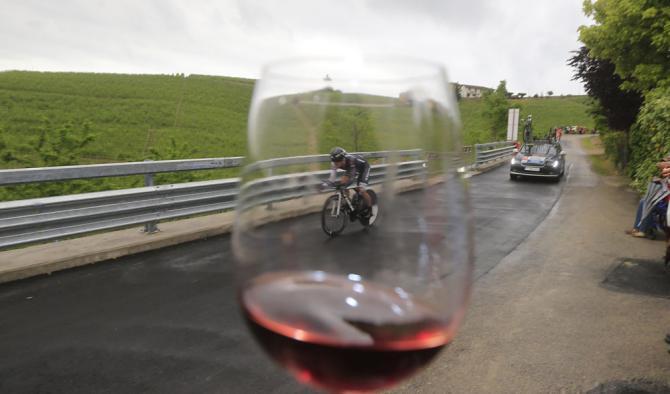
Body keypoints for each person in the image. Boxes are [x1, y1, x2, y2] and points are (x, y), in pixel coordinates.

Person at [626, 158, 670, 237]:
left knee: (649, 202)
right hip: (664, 197)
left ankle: (643, 230)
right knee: (643, 200)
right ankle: (636, 228)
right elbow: (659, 164)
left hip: (667, 201)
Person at [328, 147, 372, 216]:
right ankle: (350, 205)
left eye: (337, 162)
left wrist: (345, 183)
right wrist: (329, 183)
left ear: (343, 160)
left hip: (364, 168)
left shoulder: (350, 160)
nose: (335, 164)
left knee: (361, 190)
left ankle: (370, 208)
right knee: (344, 186)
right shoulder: (334, 163)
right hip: (351, 169)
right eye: (334, 162)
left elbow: (351, 176)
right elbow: (332, 177)